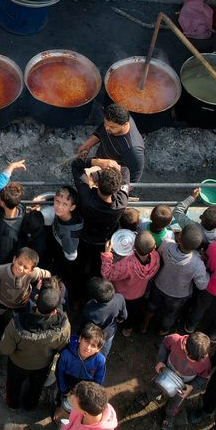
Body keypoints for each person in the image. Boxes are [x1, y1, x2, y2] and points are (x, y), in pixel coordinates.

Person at [70, 162, 130, 297]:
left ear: (97, 185)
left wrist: (97, 162)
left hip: (84, 240)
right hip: (104, 244)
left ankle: (75, 300)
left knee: (78, 269)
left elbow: (76, 166)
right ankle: (92, 297)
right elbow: (125, 170)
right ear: (116, 190)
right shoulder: (121, 203)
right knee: (97, 272)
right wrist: (111, 165)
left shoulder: (86, 198)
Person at [140, 332, 213, 430]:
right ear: (184, 343)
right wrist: (160, 361)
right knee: (155, 386)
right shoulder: (175, 340)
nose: (189, 360)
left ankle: (170, 414)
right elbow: (165, 344)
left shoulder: (205, 363)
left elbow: (203, 377)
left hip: (182, 386)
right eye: (188, 355)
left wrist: (191, 387)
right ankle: (147, 397)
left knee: (176, 401)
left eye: (194, 361)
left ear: (203, 356)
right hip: (165, 372)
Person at [145, 223, 208, 336]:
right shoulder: (198, 263)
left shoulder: (167, 244)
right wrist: (207, 272)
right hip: (178, 295)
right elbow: (202, 285)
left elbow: (159, 253)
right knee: (171, 314)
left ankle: (144, 325)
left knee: (151, 305)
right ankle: (163, 331)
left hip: (159, 284)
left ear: (179, 237)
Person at [101, 230, 159, 337]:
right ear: (154, 247)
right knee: (133, 313)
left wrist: (107, 254)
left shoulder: (126, 264)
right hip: (139, 293)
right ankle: (128, 329)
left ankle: (118, 320)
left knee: (121, 310)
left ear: (133, 246)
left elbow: (107, 274)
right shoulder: (156, 257)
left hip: (122, 295)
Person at [0, 247, 51, 336]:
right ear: (14, 259)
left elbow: (47, 274)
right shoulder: (0, 271)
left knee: (20, 318)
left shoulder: (33, 274)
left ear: (31, 270)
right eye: (19, 263)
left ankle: (17, 329)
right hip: (3, 301)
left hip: (22, 303)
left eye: (26, 267)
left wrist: (44, 283)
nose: (20, 268)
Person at [76, 103, 147, 182]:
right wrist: (88, 144)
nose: (106, 128)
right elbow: (102, 129)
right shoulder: (113, 121)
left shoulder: (133, 150)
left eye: (112, 127)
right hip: (100, 159)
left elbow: (133, 179)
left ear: (125, 124)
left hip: (109, 178)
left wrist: (115, 191)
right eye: (105, 124)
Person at [54, 323, 107, 422]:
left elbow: (98, 383)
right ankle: (58, 406)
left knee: (82, 402)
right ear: (80, 339)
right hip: (68, 379)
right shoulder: (66, 354)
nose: (88, 348)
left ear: (98, 349)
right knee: (61, 394)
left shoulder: (100, 361)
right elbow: (59, 372)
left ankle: (78, 416)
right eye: (86, 341)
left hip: (86, 384)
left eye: (93, 346)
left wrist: (89, 396)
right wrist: (64, 389)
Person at [81, 278, 127, 357]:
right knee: (105, 347)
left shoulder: (90, 309)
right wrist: (120, 319)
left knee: (92, 346)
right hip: (109, 332)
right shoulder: (119, 298)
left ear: (95, 298)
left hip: (95, 334)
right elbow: (124, 315)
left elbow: (85, 325)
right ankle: (102, 358)